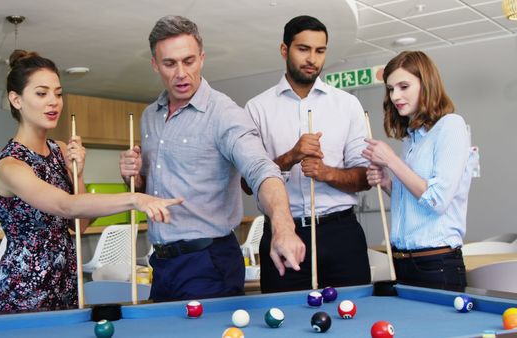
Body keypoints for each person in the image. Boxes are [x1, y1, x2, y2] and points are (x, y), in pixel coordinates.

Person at [119, 15, 305, 302]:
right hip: (162, 264)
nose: (181, 73)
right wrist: (133, 178)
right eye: (169, 63)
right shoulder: (149, 117)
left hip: (209, 262)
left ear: (202, 58)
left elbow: (261, 170)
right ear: (155, 65)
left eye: (189, 61)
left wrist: (283, 227)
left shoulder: (225, 114)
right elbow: (149, 192)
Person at [0, 50, 182, 313]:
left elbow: (79, 223)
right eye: (41, 93)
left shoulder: (59, 149)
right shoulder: (10, 165)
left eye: (58, 93)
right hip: (23, 291)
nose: (54, 102)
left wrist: (76, 173)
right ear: (16, 99)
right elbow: (66, 205)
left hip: (66, 283)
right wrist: (136, 198)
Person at [244, 15, 372, 293]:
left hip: (341, 232)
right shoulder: (257, 109)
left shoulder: (347, 105)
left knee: (354, 318)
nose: (312, 58)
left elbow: (365, 178)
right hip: (284, 232)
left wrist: (326, 173)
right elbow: (246, 183)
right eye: (303, 49)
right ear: (284, 50)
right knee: (284, 320)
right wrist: (291, 156)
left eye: (320, 50)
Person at [362, 50, 476, 290]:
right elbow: (415, 202)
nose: (395, 96)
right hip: (403, 262)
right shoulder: (412, 139)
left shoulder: (450, 126)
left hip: (437, 264)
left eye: (404, 86)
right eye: (391, 89)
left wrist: (392, 162)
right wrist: (387, 184)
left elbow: (437, 200)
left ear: (427, 84)